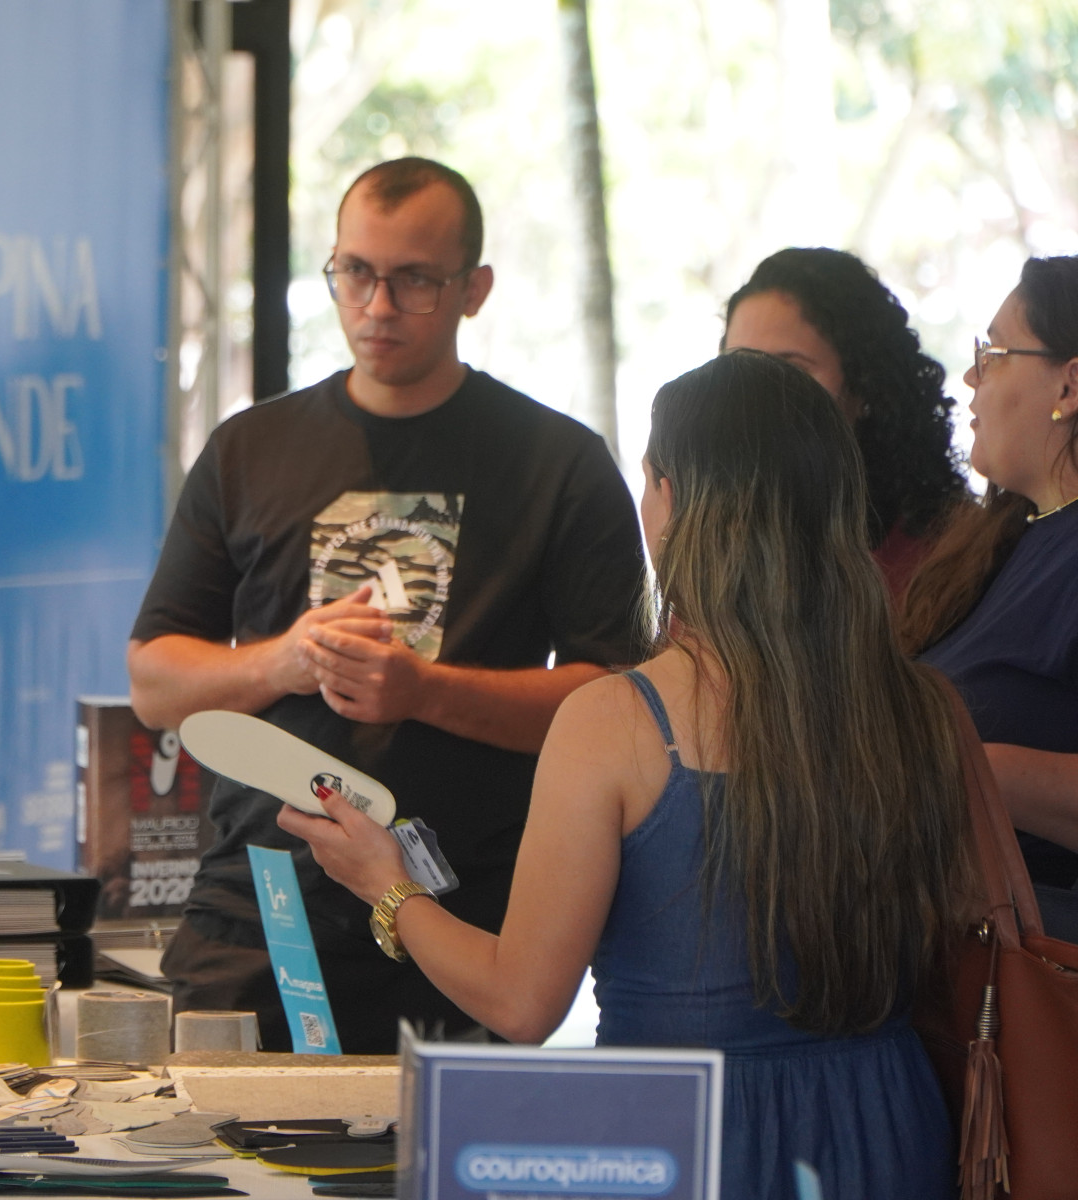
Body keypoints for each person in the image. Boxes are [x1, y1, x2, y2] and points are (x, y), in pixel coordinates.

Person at [283, 350, 965, 1199]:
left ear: (672, 502)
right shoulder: (925, 710)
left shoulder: (616, 721)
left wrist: (387, 887)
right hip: (888, 1125)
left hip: (687, 1138)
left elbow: (522, 1003)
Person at [127, 157, 647, 1053]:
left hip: (457, 916)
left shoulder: (557, 464)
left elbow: (616, 704)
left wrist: (424, 691)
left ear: (474, 289)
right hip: (259, 907)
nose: (377, 306)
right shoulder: (250, 448)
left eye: (414, 280)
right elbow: (154, 684)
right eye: (355, 273)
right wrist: (284, 659)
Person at [906, 255, 1078, 940]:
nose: (972, 378)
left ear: (1069, 383)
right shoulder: (1009, 536)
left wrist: (970, 766)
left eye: (995, 354)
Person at [723, 246, 970, 598]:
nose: (756, 396)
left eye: (790, 371)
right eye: (737, 370)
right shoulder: (712, 547)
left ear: (865, 384)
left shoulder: (951, 554)